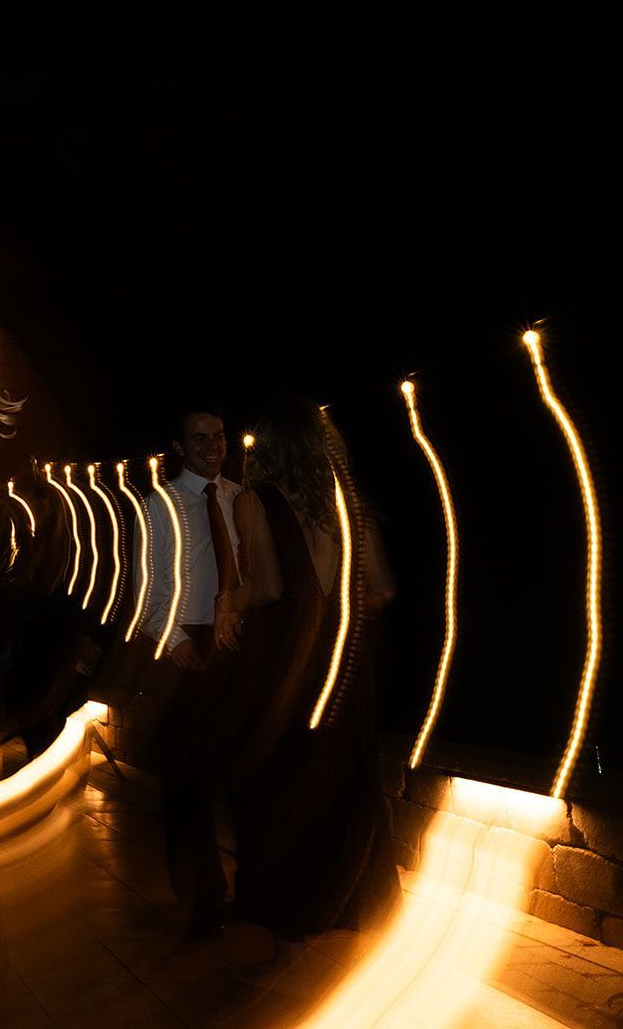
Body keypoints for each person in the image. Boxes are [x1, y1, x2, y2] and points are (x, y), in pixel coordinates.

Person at [219, 394, 398, 977]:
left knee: (278, 790)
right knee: (344, 787)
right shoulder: (356, 509)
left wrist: (227, 601)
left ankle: (290, 935)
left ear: (270, 447)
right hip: (348, 668)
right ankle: (356, 923)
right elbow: (385, 591)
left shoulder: (255, 501)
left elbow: (267, 587)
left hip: (288, 669)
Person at [140, 407, 242, 941]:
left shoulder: (238, 495)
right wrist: (172, 639)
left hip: (234, 639)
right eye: (199, 438)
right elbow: (147, 579)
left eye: (219, 435)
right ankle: (203, 898)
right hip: (185, 642)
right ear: (179, 446)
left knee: (240, 767)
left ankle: (252, 886)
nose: (212, 445)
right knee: (187, 779)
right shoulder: (163, 503)